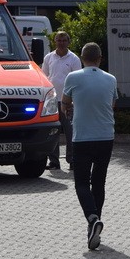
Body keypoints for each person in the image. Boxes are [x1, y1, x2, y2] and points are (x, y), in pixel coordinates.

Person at [62, 42, 118, 251]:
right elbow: (111, 104)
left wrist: (72, 107)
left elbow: (65, 102)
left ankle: (92, 218)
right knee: (99, 182)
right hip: (105, 137)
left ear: (82, 58)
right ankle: (95, 227)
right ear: (100, 58)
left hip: (82, 138)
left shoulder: (73, 77)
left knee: (81, 184)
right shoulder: (110, 79)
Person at [42, 30, 81, 169]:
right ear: (55, 41)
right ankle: (54, 162)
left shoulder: (74, 59)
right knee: (53, 132)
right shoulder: (48, 58)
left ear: (68, 42)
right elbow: (44, 77)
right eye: (59, 40)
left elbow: (78, 80)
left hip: (69, 102)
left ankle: (72, 161)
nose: (61, 42)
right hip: (52, 101)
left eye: (64, 40)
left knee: (70, 132)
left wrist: (72, 100)